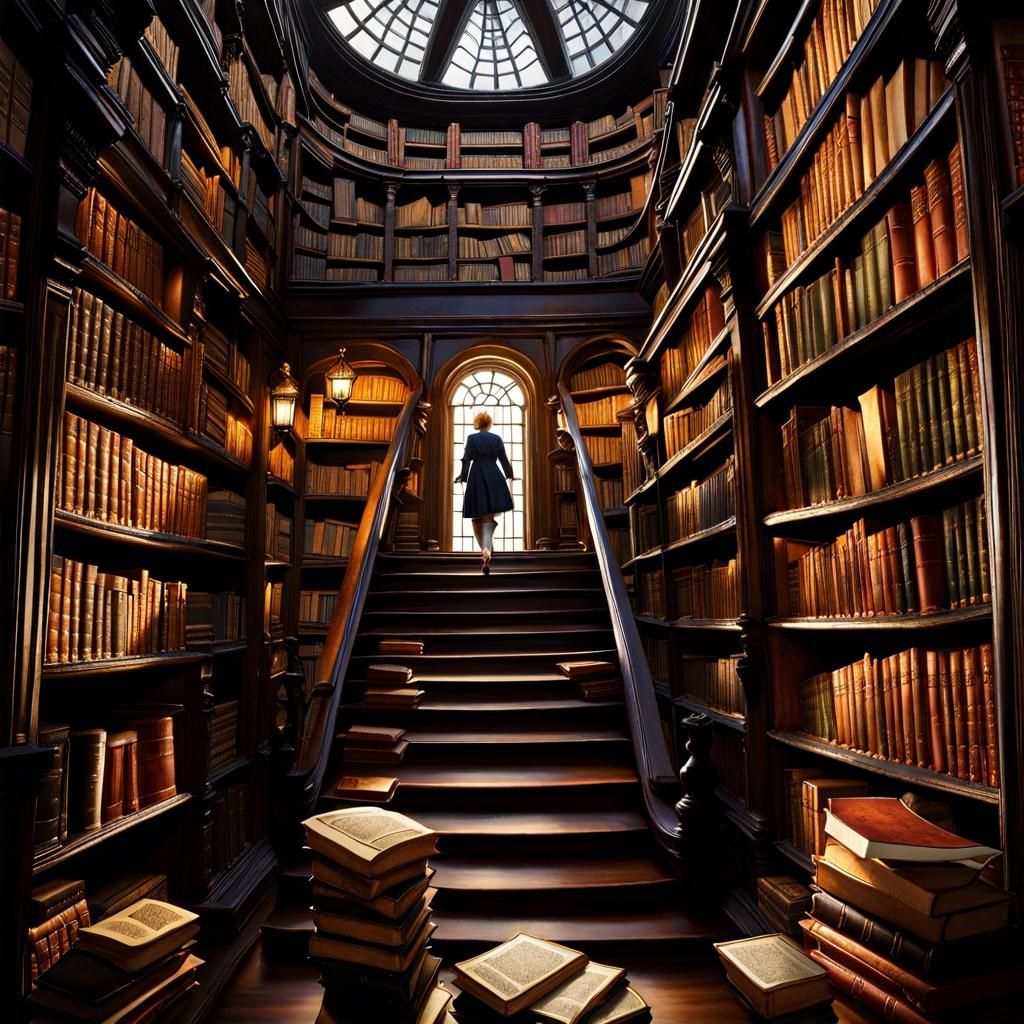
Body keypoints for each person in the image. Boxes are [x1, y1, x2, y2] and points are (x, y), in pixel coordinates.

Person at [455, 411, 515, 574]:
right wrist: (510, 474)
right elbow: (503, 459)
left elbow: (467, 459)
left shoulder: (472, 438)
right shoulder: (496, 439)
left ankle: (485, 550)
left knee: (476, 516)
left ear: (477, 423)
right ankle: (488, 548)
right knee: (488, 515)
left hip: (477, 475)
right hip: (494, 475)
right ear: (489, 424)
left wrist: (463, 476)